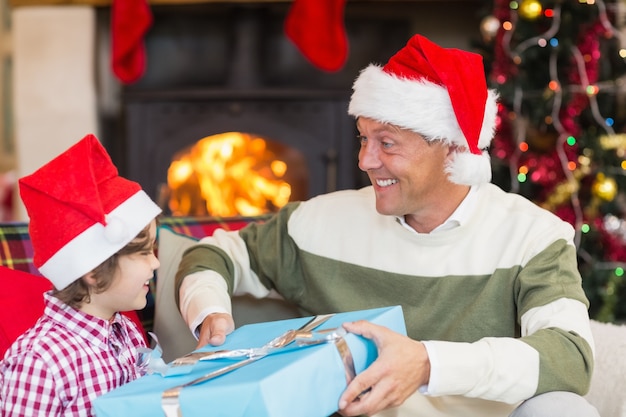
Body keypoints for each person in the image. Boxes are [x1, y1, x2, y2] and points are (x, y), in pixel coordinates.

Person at [174, 34, 598, 417]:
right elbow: (214, 253)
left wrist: (427, 363)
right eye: (363, 138)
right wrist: (209, 308)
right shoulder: (318, 223)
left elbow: (570, 357)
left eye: (387, 143)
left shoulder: (532, 237)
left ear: (451, 147)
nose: (365, 161)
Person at [0, 134, 162, 416]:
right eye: (144, 253)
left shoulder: (125, 331)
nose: (155, 264)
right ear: (94, 272)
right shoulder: (39, 364)